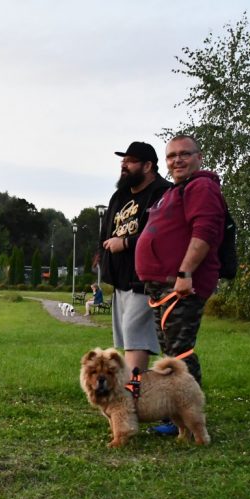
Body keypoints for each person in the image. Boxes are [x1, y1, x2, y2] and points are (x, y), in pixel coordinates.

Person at [135, 134, 226, 434]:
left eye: (184, 154)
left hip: (181, 286)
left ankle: (190, 416)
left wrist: (185, 273)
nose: (177, 160)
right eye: (172, 156)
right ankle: (175, 413)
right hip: (161, 287)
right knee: (171, 354)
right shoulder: (175, 191)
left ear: (199, 157)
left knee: (181, 354)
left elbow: (205, 232)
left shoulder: (201, 187)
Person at [97, 141, 172, 375]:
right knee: (127, 337)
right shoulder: (119, 196)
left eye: (130, 161)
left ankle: (132, 393)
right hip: (122, 279)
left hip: (145, 278)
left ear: (148, 165)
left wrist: (126, 243)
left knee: (136, 337)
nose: (124, 165)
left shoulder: (163, 193)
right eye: (123, 161)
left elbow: (164, 233)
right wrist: (101, 255)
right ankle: (138, 391)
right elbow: (107, 231)